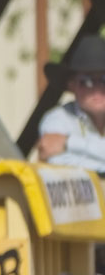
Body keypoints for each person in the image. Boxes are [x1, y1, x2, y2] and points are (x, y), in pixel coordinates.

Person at [38, 36, 105, 173]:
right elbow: (60, 166)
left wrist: (69, 142)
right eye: (86, 81)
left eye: (104, 80)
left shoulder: (61, 130)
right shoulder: (57, 119)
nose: (97, 89)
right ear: (71, 85)